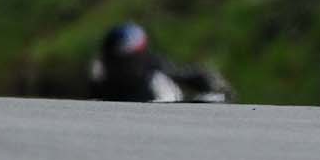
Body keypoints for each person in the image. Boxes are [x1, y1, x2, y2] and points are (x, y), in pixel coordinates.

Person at [90, 22, 232, 103]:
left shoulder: (156, 70)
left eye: (130, 60)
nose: (124, 67)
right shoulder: (99, 74)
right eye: (117, 61)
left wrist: (212, 92)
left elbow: (185, 76)